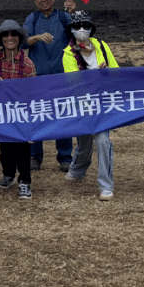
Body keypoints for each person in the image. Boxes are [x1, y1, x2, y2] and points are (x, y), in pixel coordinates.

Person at [62, 11, 120, 200]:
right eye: (77, 27)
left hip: (103, 104)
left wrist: (106, 73)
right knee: (84, 143)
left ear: (91, 29)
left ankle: (105, 185)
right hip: (83, 104)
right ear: (71, 30)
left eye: (86, 26)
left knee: (103, 141)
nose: (81, 30)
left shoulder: (102, 47)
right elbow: (75, 83)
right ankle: (77, 170)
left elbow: (116, 72)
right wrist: (98, 77)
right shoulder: (68, 54)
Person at [23, 0, 76, 172]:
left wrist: (74, 14)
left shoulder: (63, 17)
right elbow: (23, 42)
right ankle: (35, 156)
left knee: (63, 115)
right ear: (35, 0)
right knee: (37, 115)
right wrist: (37, 37)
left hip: (61, 75)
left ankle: (65, 156)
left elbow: (79, 36)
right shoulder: (33, 18)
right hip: (37, 76)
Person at [0, 20, 37, 200]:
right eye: (6, 35)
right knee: (5, 148)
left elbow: (33, 93)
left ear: (19, 38)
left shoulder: (27, 64)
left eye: (13, 34)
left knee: (22, 148)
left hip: (21, 113)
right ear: (1, 39)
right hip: (1, 113)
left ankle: (25, 181)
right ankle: (8, 175)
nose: (10, 38)